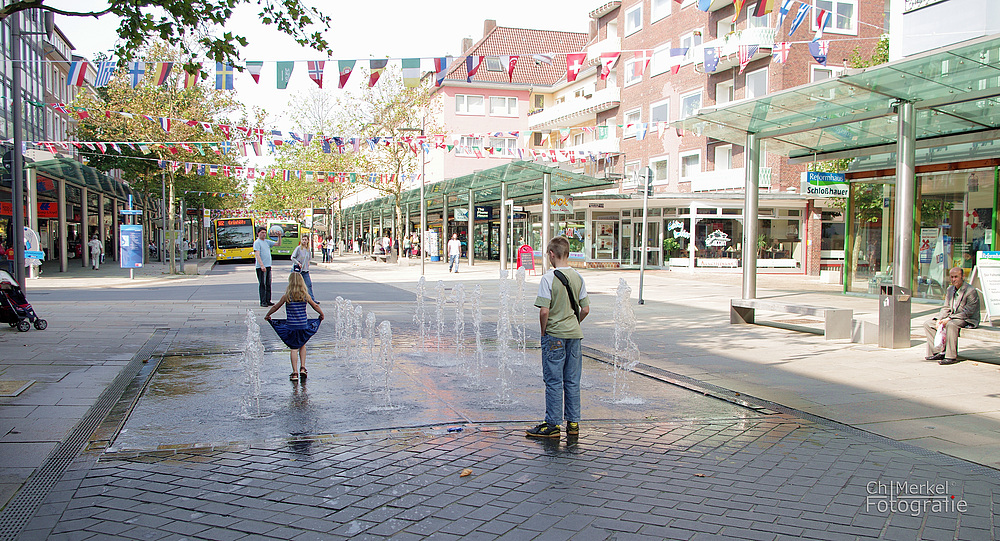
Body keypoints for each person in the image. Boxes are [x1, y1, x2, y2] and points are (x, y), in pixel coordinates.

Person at [526, 236, 590, 439]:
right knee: (572, 380)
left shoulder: (548, 278)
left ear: (551, 254)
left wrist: (544, 332)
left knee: (554, 380)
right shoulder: (578, 277)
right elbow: (586, 309)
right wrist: (574, 323)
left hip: (555, 335)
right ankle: (573, 424)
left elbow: (544, 311)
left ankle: (553, 425)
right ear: (568, 253)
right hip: (574, 335)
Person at [265, 272, 324, 382]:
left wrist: (268, 315)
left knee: (293, 348)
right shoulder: (305, 296)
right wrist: (321, 314)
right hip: (303, 325)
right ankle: (303, 367)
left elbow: (276, 306)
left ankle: (295, 372)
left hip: (291, 326)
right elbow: (315, 305)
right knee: (302, 344)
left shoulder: (287, 296)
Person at [923, 266, 980, 365]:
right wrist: (939, 319)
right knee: (928, 324)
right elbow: (946, 307)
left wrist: (949, 319)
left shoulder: (971, 291)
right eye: (952, 277)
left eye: (956, 277)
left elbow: (968, 312)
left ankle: (950, 356)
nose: (954, 280)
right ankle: (939, 351)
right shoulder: (950, 289)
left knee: (951, 325)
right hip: (952, 316)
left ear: (963, 276)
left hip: (967, 319)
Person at [253, 228, 280, 307]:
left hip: (268, 265)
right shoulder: (257, 242)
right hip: (261, 267)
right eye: (262, 233)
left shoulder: (267, 242)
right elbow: (257, 255)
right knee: (262, 284)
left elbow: (278, 244)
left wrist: (279, 236)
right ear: (258, 233)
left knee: (268, 283)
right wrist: (262, 265)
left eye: (265, 233)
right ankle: (263, 301)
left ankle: (268, 300)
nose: (264, 234)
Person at [290, 235, 317, 303]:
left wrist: (308, 264)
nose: (304, 241)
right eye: (303, 239)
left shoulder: (308, 250)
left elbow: (309, 259)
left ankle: (312, 300)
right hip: (298, 270)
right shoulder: (298, 248)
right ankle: (291, 298)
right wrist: (298, 263)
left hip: (305, 270)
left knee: (308, 284)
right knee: (295, 284)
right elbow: (292, 257)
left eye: (305, 240)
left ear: (308, 241)